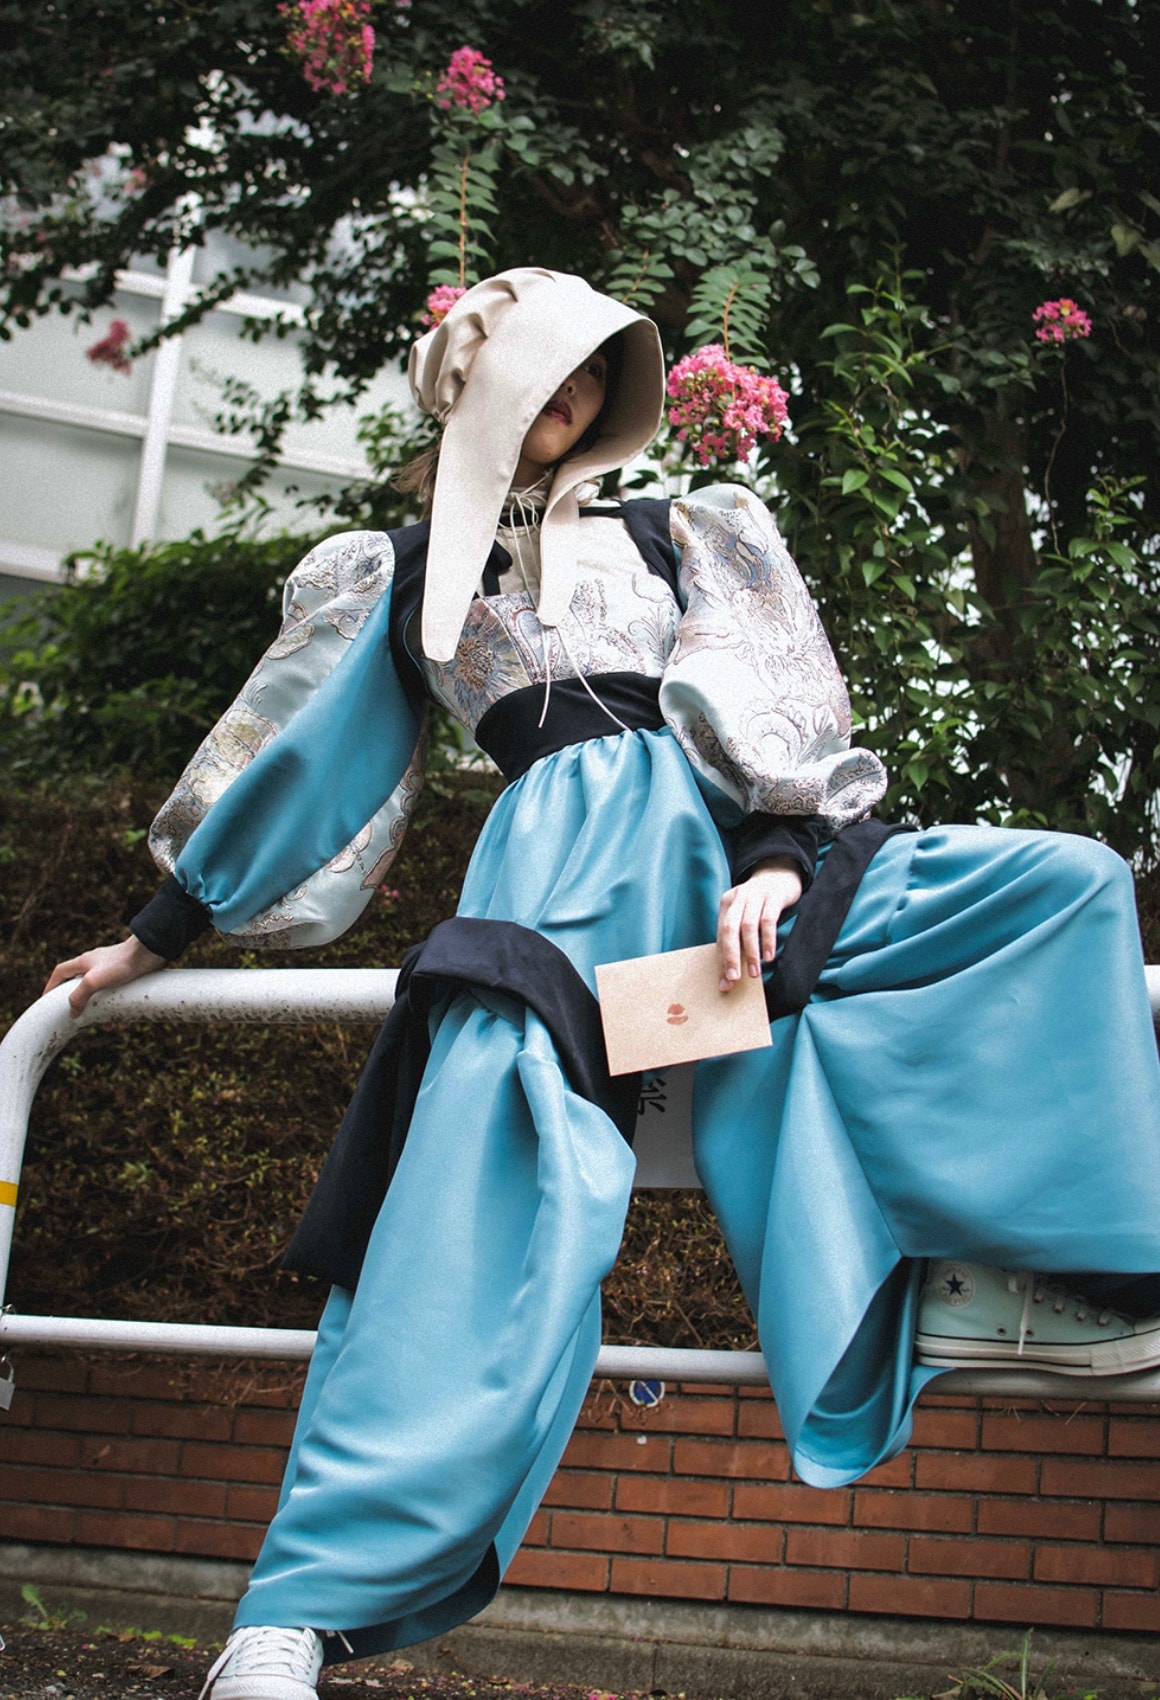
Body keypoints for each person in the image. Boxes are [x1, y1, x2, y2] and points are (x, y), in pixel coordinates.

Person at [46, 269, 1160, 1700]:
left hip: (743, 917)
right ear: (476, 387)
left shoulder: (676, 527)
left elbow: (764, 701)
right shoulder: (406, 576)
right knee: (469, 1220)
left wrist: (775, 861)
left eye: (593, 365)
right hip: (569, 911)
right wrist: (154, 935)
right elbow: (299, 771)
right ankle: (293, 1614)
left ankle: (1050, 1280)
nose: (573, 388)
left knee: (1062, 886)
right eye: (545, 362)